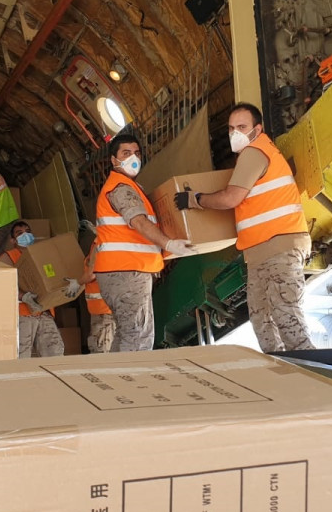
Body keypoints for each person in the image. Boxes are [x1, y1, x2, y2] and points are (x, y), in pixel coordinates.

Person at [174, 103, 315, 352]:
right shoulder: (251, 155)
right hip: (261, 253)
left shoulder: (255, 152)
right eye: (230, 128)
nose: (234, 133)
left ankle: (318, 376)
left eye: (241, 127)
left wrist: (195, 200)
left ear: (257, 129)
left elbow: (231, 198)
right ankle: (284, 376)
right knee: (263, 322)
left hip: (280, 246)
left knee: (287, 320)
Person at [93, 134, 195, 351]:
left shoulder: (129, 187)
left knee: (128, 333)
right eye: (126, 153)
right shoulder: (121, 188)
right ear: (113, 160)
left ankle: (114, 380)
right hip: (126, 271)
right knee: (138, 336)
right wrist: (169, 244)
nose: (133, 158)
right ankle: (131, 382)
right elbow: (138, 222)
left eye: (137, 153)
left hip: (122, 272)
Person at [0, 221, 64, 358]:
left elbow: (52, 278)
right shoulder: (8, 257)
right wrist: (23, 296)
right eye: (20, 233)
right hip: (23, 313)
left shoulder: (40, 255)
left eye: (28, 231)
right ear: (13, 240)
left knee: (55, 352)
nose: (25, 235)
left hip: (43, 311)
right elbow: (2, 285)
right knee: (22, 356)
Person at [80, 242, 115, 353]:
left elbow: (91, 274)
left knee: (101, 351)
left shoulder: (100, 244)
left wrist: (77, 283)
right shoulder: (111, 243)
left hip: (103, 309)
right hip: (106, 308)